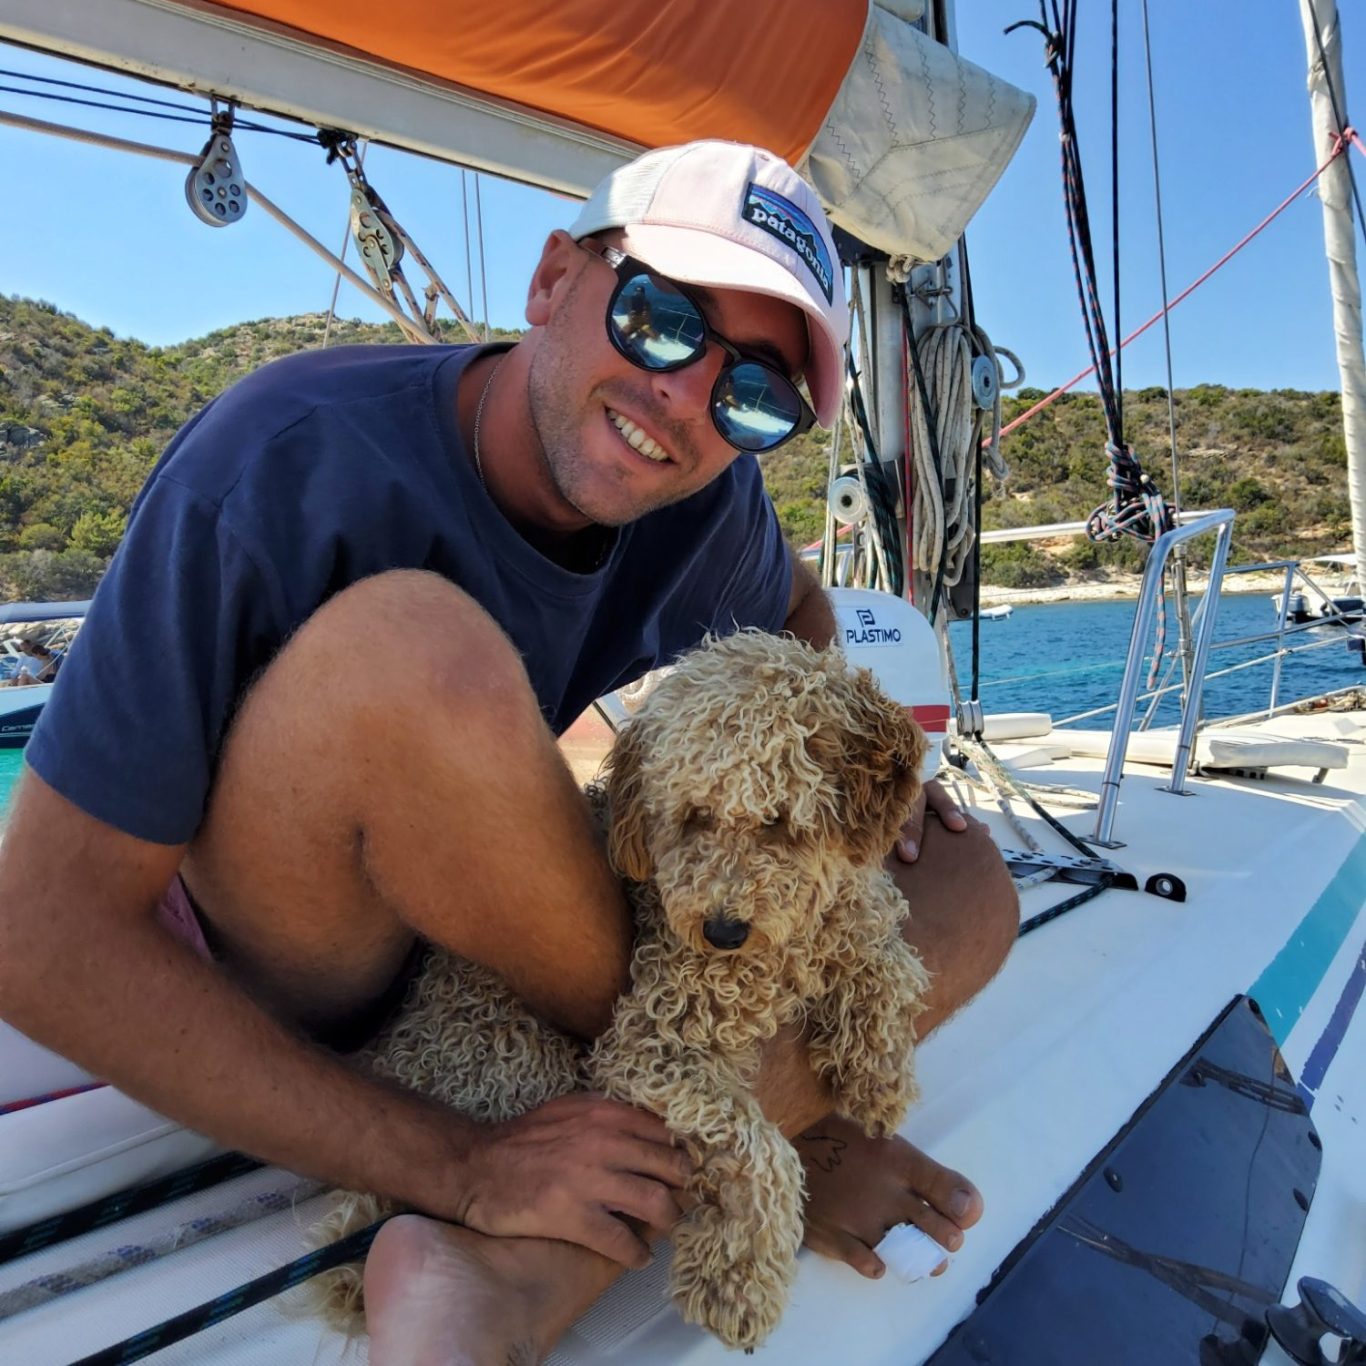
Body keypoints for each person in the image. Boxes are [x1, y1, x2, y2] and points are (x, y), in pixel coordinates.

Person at [0, 141, 1016, 1364]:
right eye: (657, 321)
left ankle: (518, 1285)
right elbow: (42, 940)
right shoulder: (282, 458)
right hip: (295, 967)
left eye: (754, 393)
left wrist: (858, 800)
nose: (687, 400)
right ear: (551, 282)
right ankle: (769, 1132)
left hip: (493, 944)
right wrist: (465, 1164)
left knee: (961, 880)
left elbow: (798, 616)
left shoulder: (699, 501)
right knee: (415, 648)